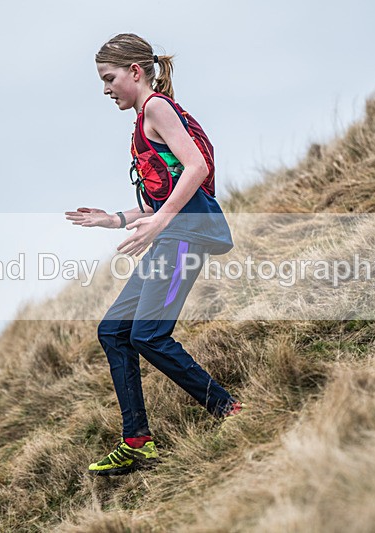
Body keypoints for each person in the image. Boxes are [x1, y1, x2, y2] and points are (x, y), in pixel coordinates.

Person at [65, 33, 242, 476]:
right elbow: (160, 198)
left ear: (135, 72)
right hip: (172, 234)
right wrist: (113, 219)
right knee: (114, 330)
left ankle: (228, 409)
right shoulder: (143, 122)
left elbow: (197, 167)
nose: (106, 89)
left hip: (184, 236)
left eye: (109, 78)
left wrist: (161, 223)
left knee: (148, 334)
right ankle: (137, 441)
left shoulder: (157, 108)